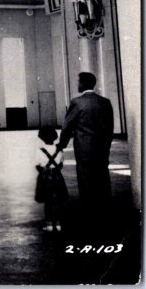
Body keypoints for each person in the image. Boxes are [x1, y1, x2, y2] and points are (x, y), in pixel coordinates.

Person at [56, 72, 114, 218]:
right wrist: (106, 145)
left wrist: (60, 146)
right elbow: (110, 128)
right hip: (101, 147)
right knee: (102, 175)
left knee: (86, 178)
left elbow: (67, 127)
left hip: (84, 148)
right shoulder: (105, 102)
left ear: (83, 83)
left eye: (78, 82)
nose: (77, 85)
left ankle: (89, 211)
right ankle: (105, 208)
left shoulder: (77, 102)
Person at [35, 125, 67, 232]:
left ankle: (49, 225)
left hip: (46, 178)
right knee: (58, 201)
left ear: (41, 137)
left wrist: (44, 172)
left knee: (48, 202)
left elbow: (38, 165)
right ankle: (58, 225)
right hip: (58, 177)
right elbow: (61, 164)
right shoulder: (59, 150)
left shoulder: (40, 151)